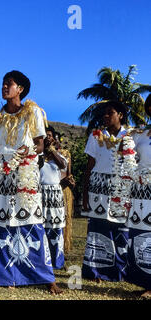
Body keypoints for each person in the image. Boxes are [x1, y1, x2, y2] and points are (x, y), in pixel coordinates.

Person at [0, 70, 62, 294]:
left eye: (9, 84)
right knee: (0, 221)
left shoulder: (32, 112)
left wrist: (26, 152)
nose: (4, 87)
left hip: (24, 172)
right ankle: (4, 275)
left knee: (30, 221)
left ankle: (46, 278)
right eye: (3, 83)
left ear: (20, 89)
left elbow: (40, 145)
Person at [81, 100, 130, 282]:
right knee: (98, 228)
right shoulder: (96, 136)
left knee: (120, 228)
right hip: (98, 188)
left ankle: (121, 271)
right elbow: (89, 166)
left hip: (121, 188)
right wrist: (85, 193)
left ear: (121, 115)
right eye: (105, 113)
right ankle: (95, 271)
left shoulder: (131, 137)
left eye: (110, 113)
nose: (106, 116)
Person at [126, 94, 151, 298]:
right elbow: (124, 155)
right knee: (142, 235)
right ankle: (147, 283)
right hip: (142, 191)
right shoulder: (139, 134)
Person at [40, 125, 67, 269]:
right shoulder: (37, 156)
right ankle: (42, 260)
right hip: (40, 193)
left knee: (55, 227)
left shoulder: (60, 157)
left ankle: (57, 262)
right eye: (44, 135)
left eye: (49, 135)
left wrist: (52, 152)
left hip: (55, 194)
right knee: (41, 227)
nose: (47, 138)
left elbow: (63, 166)